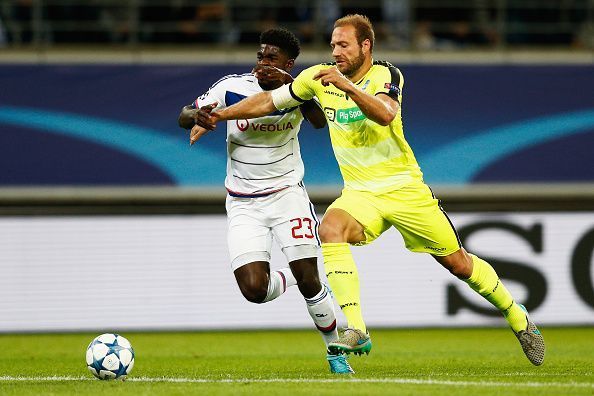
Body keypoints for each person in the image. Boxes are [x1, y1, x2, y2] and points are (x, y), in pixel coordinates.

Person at [197, 14, 546, 367]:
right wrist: (218, 116)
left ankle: (517, 316)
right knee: (330, 228)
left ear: (366, 46)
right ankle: (356, 328)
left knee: (459, 265)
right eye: (333, 45)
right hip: (360, 194)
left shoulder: (386, 74)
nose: (336, 52)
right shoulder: (317, 77)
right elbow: (269, 103)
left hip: (405, 189)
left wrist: (347, 87)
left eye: (344, 45)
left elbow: (385, 115)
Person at [178, 28, 354, 374]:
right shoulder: (231, 87)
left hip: (288, 196)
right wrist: (195, 117)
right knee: (254, 290)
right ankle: (294, 277)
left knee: (310, 280)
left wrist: (291, 85)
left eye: (271, 58)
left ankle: (336, 353)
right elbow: (184, 114)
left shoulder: (300, 88)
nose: (262, 63)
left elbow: (320, 122)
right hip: (243, 204)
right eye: (260, 56)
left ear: (288, 63)